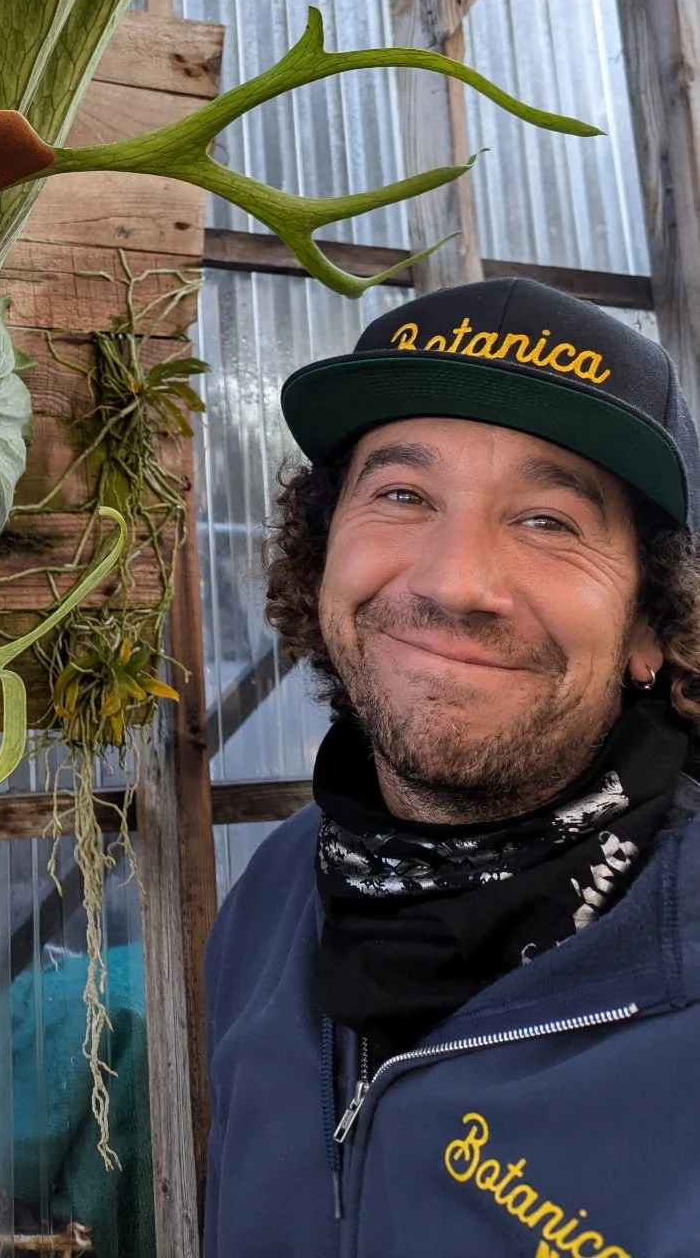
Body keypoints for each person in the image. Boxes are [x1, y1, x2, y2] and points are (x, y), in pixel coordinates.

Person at [203, 278, 700, 1256]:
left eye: (548, 520)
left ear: (653, 620)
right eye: (402, 495)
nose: (453, 581)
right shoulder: (273, 897)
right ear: (322, 548)